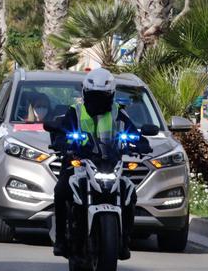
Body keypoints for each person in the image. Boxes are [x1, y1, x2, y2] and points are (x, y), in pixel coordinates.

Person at [50, 68, 150, 260]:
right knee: (61, 189)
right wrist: (61, 141)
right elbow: (62, 131)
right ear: (85, 93)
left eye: (102, 96)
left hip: (110, 164)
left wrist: (141, 143)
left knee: (129, 191)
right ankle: (61, 239)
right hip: (78, 164)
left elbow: (133, 134)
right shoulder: (75, 111)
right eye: (93, 95)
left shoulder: (118, 113)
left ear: (111, 95)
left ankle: (125, 239)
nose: (97, 100)